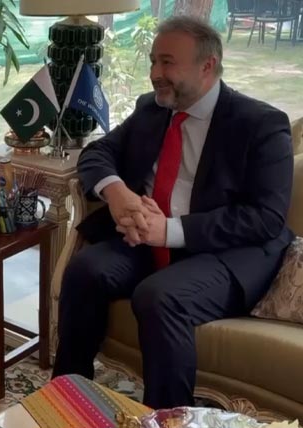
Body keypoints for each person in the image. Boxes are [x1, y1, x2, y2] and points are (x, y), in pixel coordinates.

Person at [51, 16, 294, 409]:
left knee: (159, 297)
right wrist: (118, 194)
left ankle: (166, 418)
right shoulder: (152, 109)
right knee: (85, 270)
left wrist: (168, 231)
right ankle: (67, 401)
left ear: (207, 66)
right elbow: (98, 153)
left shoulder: (260, 125)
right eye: (153, 61)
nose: (154, 74)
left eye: (167, 63)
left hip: (223, 252)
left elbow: (265, 217)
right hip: (144, 236)